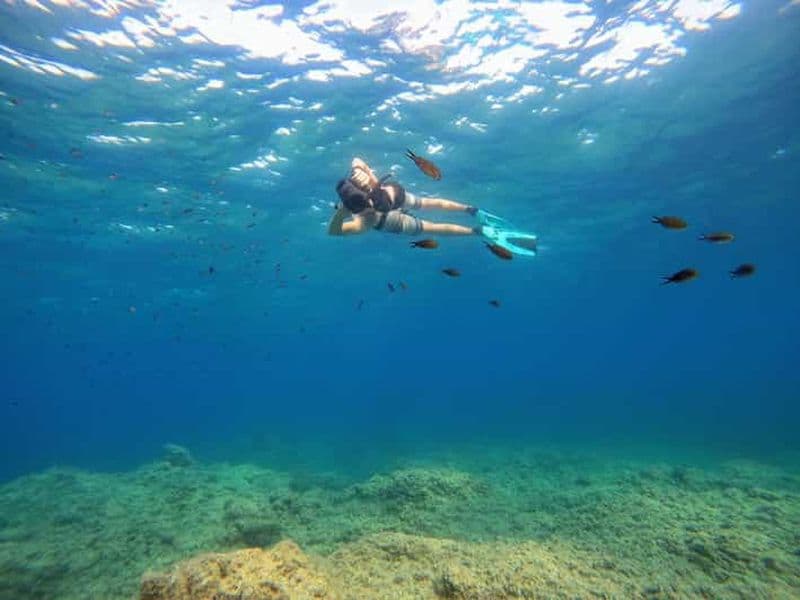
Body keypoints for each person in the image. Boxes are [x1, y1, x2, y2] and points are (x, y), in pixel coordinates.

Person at [328, 158, 481, 237]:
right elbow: (334, 232)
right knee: (429, 212)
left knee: (431, 223)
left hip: (390, 208)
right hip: (390, 215)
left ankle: (473, 227)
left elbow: (334, 232)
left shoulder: (361, 216)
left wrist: (358, 168)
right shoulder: (363, 219)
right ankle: (471, 218)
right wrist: (340, 215)